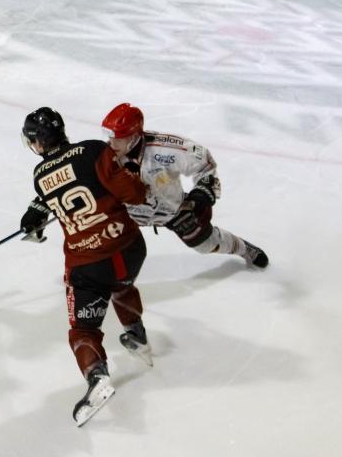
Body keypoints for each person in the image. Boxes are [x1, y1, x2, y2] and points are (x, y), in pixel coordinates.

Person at [18, 106, 153, 427]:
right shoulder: (94, 149)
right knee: (121, 285)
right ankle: (137, 335)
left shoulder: (39, 176)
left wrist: (35, 216)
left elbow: (55, 186)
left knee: (83, 330)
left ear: (38, 142)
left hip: (89, 265)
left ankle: (96, 376)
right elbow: (134, 194)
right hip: (130, 249)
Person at [100, 103, 268, 268]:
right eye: (109, 136)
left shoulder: (165, 149)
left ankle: (243, 248)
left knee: (206, 245)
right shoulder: (104, 156)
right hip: (125, 213)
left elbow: (204, 163)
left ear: (134, 136)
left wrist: (203, 190)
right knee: (97, 246)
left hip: (171, 210)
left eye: (117, 138)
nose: (111, 143)